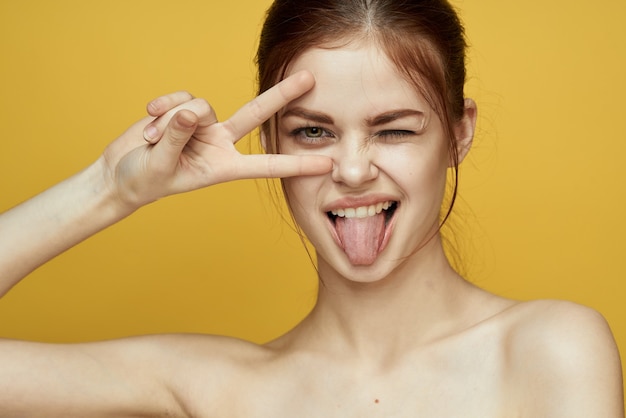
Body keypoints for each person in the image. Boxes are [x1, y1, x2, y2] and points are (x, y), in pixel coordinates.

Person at [0, 0, 623, 416]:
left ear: (458, 134)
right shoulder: (214, 385)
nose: (352, 171)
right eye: (313, 132)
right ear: (270, 141)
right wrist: (109, 190)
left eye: (395, 131)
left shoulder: (550, 349)